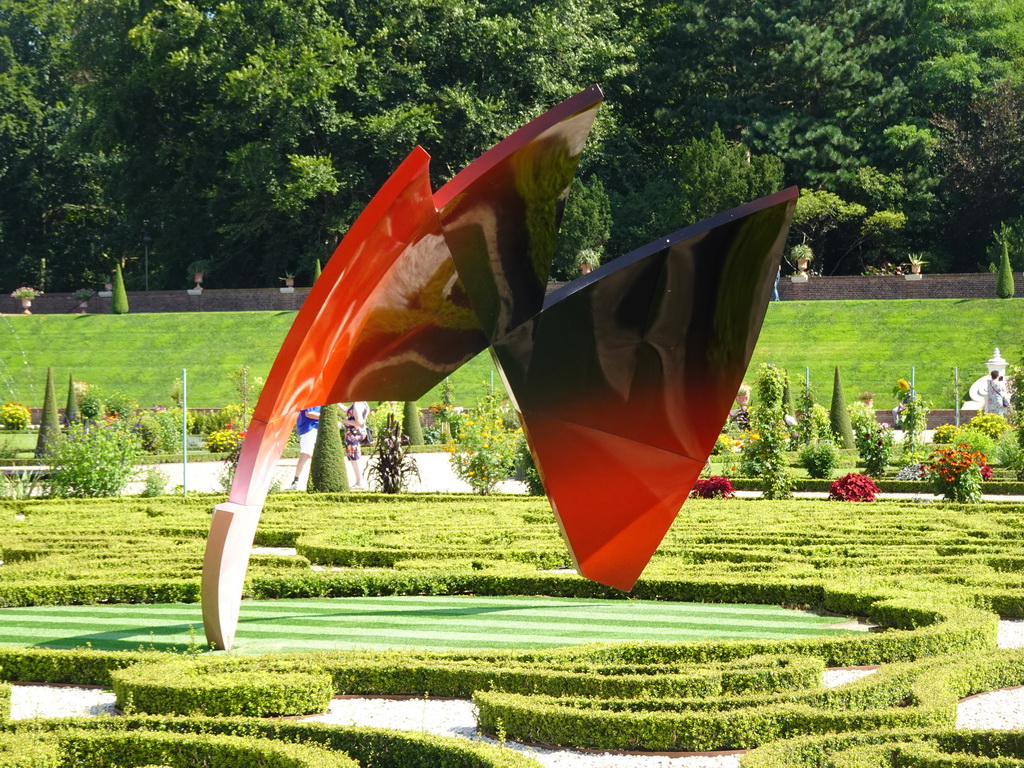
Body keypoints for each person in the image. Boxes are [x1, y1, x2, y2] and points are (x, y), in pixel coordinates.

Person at [289, 405, 320, 490]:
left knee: (315, 454)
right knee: (306, 454)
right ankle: (296, 480)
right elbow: (308, 413)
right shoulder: (311, 397)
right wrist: (326, 417)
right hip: (309, 428)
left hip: (316, 427)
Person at [341, 401, 370, 489]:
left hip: (353, 433)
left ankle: (359, 482)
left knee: (354, 458)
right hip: (359, 432)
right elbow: (346, 410)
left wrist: (344, 420)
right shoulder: (363, 403)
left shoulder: (357, 404)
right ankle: (359, 481)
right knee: (355, 457)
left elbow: (359, 421)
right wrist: (336, 402)